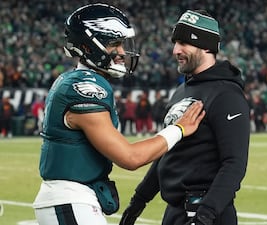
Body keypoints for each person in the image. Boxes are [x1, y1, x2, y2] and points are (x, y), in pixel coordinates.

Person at [32, 4, 206, 225]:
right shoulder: (85, 87)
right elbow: (130, 157)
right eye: (115, 44)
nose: (122, 52)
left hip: (71, 200)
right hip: (70, 200)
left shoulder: (77, 80)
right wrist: (178, 129)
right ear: (88, 46)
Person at [120, 9, 250, 225]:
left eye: (183, 43)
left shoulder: (227, 94)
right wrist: (138, 202)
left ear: (206, 45)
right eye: (175, 43)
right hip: (176, 212)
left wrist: (205, 215)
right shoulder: (182, 91)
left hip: (206, 214)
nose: (175, 51)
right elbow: (167, 154)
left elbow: (234, 164)